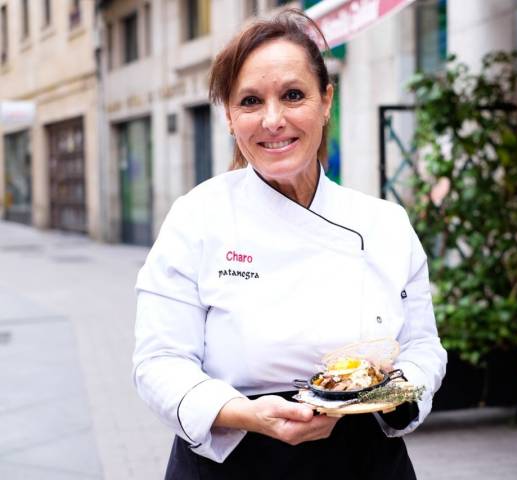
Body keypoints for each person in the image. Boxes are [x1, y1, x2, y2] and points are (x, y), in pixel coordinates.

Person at [133, 9, 446, 480]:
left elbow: (423, 348)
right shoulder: (197, 217)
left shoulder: (385, 224)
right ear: (230, 117)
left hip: (363, 461)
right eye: (251, 101)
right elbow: (159, 362)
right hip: (234, 458)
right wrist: (244, 414)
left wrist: (391, 398)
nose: (273, 120)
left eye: (293, 95)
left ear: (326, 101)